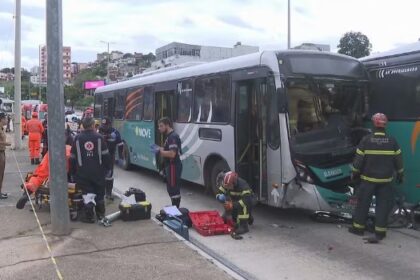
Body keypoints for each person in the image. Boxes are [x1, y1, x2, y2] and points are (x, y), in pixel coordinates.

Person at [349, 113, 404, 243]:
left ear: (374, 124)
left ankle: (358, 229)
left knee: (363, 204)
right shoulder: (392, 141)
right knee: (383, 206)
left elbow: (358, 161)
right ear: (385, 125)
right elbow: (399, 161)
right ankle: (380, 232)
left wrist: (354, 173)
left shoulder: (366, 140)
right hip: (385, 181)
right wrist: (401, 174)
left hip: (368, 180)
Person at [70, 117, 111, 223]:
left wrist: (73, 172)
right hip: (98, 172)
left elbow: (72, 158)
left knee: (87, 194)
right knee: (100, 193)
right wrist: (108, 169)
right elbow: (106, 155)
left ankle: (89, 217)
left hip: (82, 172)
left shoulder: (77, 138)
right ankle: (101, 215)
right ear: (93, 125)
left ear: (83, 126)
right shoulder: (99, 137)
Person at [16, 144, 72, 209]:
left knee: (37, 177)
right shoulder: (69, 147)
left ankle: (26, 194)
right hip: (66, 158)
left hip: (50, 157)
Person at [151, 117, 182, 208]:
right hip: (170, 166)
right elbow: (168, 150)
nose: (159, 128)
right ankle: (174, 208)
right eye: (159, 126)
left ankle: (175, 209)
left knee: (173, 190)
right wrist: (158, 148)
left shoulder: (172, 137)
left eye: (161, 126)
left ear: (167, 125)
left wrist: (159, 152)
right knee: (171, 189)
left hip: (173, 166)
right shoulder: (169, 137)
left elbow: (172, 154)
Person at [216, 171, 254, 236]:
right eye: (226, 186)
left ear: (234, 183)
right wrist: (219, 197)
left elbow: (247, 200)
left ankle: (244, 227)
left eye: (229, 186)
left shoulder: (243, 185)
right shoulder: (227, 183)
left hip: (248, 201)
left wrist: (232, 205)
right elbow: (219, 192)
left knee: (243, 206)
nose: (227, 188)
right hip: (235, 200)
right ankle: (247, 218)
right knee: (232, 219)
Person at [98, 117, 122, 201]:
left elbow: (120, 144)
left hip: (110, 157)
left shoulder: (115, 132)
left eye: (106, 125)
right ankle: (101, 192)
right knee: (100, 175)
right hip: (99, 157)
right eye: (103, 125)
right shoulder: (99, 131)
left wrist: (120, 157)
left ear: (109, 125)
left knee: (109, 176)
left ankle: (108, 193)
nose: (104, 127)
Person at [0, 113, 11, 199]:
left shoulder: (2, 128)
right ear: (1, 119)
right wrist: (6, 143)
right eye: (6, 119)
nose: (7, 120)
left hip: (2, 152)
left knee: (2, 173)